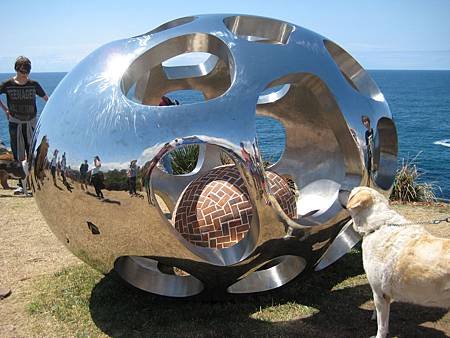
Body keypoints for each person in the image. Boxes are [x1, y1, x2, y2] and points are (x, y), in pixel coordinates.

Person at [0, 57, 48, 162]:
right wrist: (5, 109)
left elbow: (47, 99)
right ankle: (21, 177)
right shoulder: (7, 84)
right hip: (15, 123)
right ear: (16, 69)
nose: (25, 74)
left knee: (33, 152)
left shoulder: (33, 84)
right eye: (22, 71)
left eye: (27, 71)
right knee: (17, 153)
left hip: (31, 123)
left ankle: (31, 176)